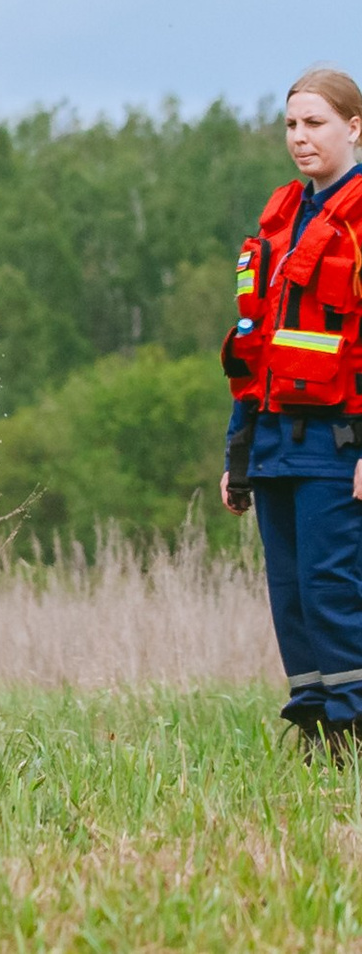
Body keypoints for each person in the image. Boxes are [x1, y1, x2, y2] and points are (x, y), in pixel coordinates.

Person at [222, 66, 362, 754]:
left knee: (334, 591)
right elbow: (255, 347)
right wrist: (237, 455)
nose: (300, 138)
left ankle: (355, 728)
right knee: (293, 597)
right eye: (291, 125)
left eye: (315, 124)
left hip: (339, 447)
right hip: (275, 442)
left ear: (354, 128)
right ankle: (318, 732)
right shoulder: (281, 220)